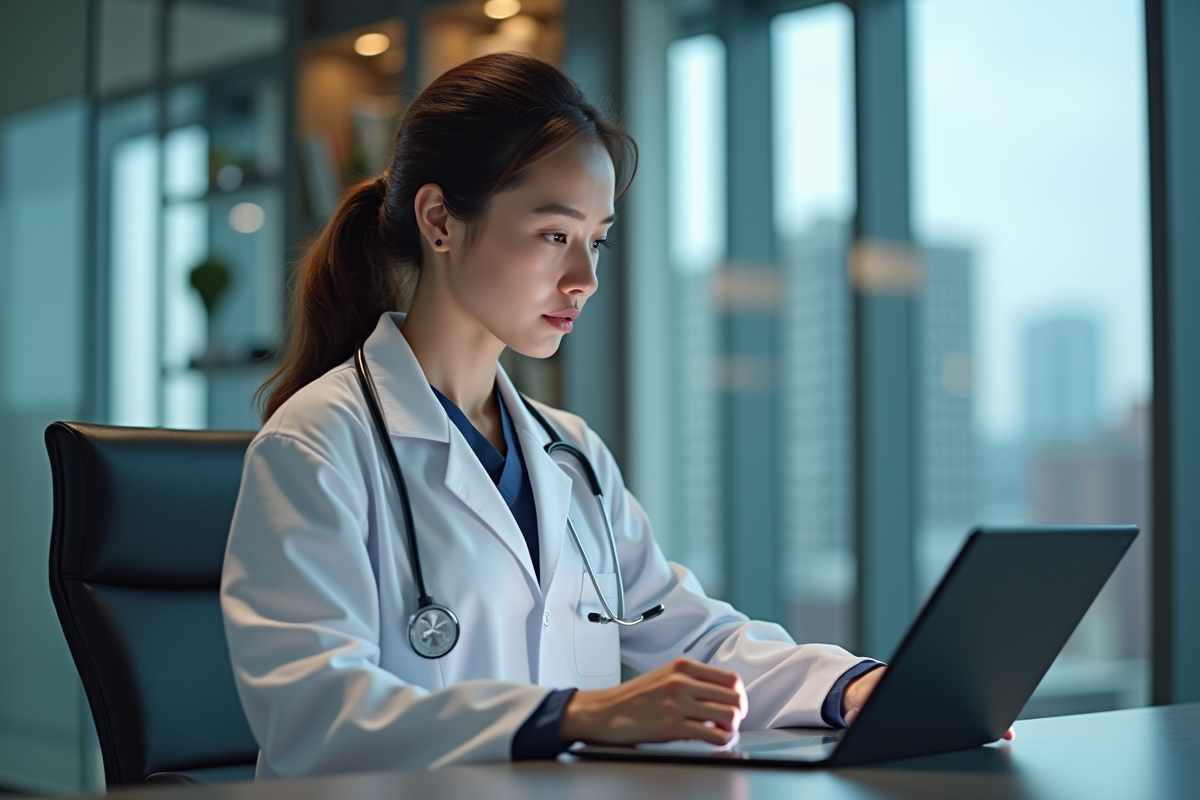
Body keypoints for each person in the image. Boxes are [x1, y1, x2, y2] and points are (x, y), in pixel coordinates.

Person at [220, 52, 888, 780]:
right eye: (554, 236)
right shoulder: (317, 445)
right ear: (440, 220)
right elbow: (314, 712)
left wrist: (851, 686)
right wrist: (571, 715)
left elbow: (691, 638)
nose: (586, 279)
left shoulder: (569, 452)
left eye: (596, 240)